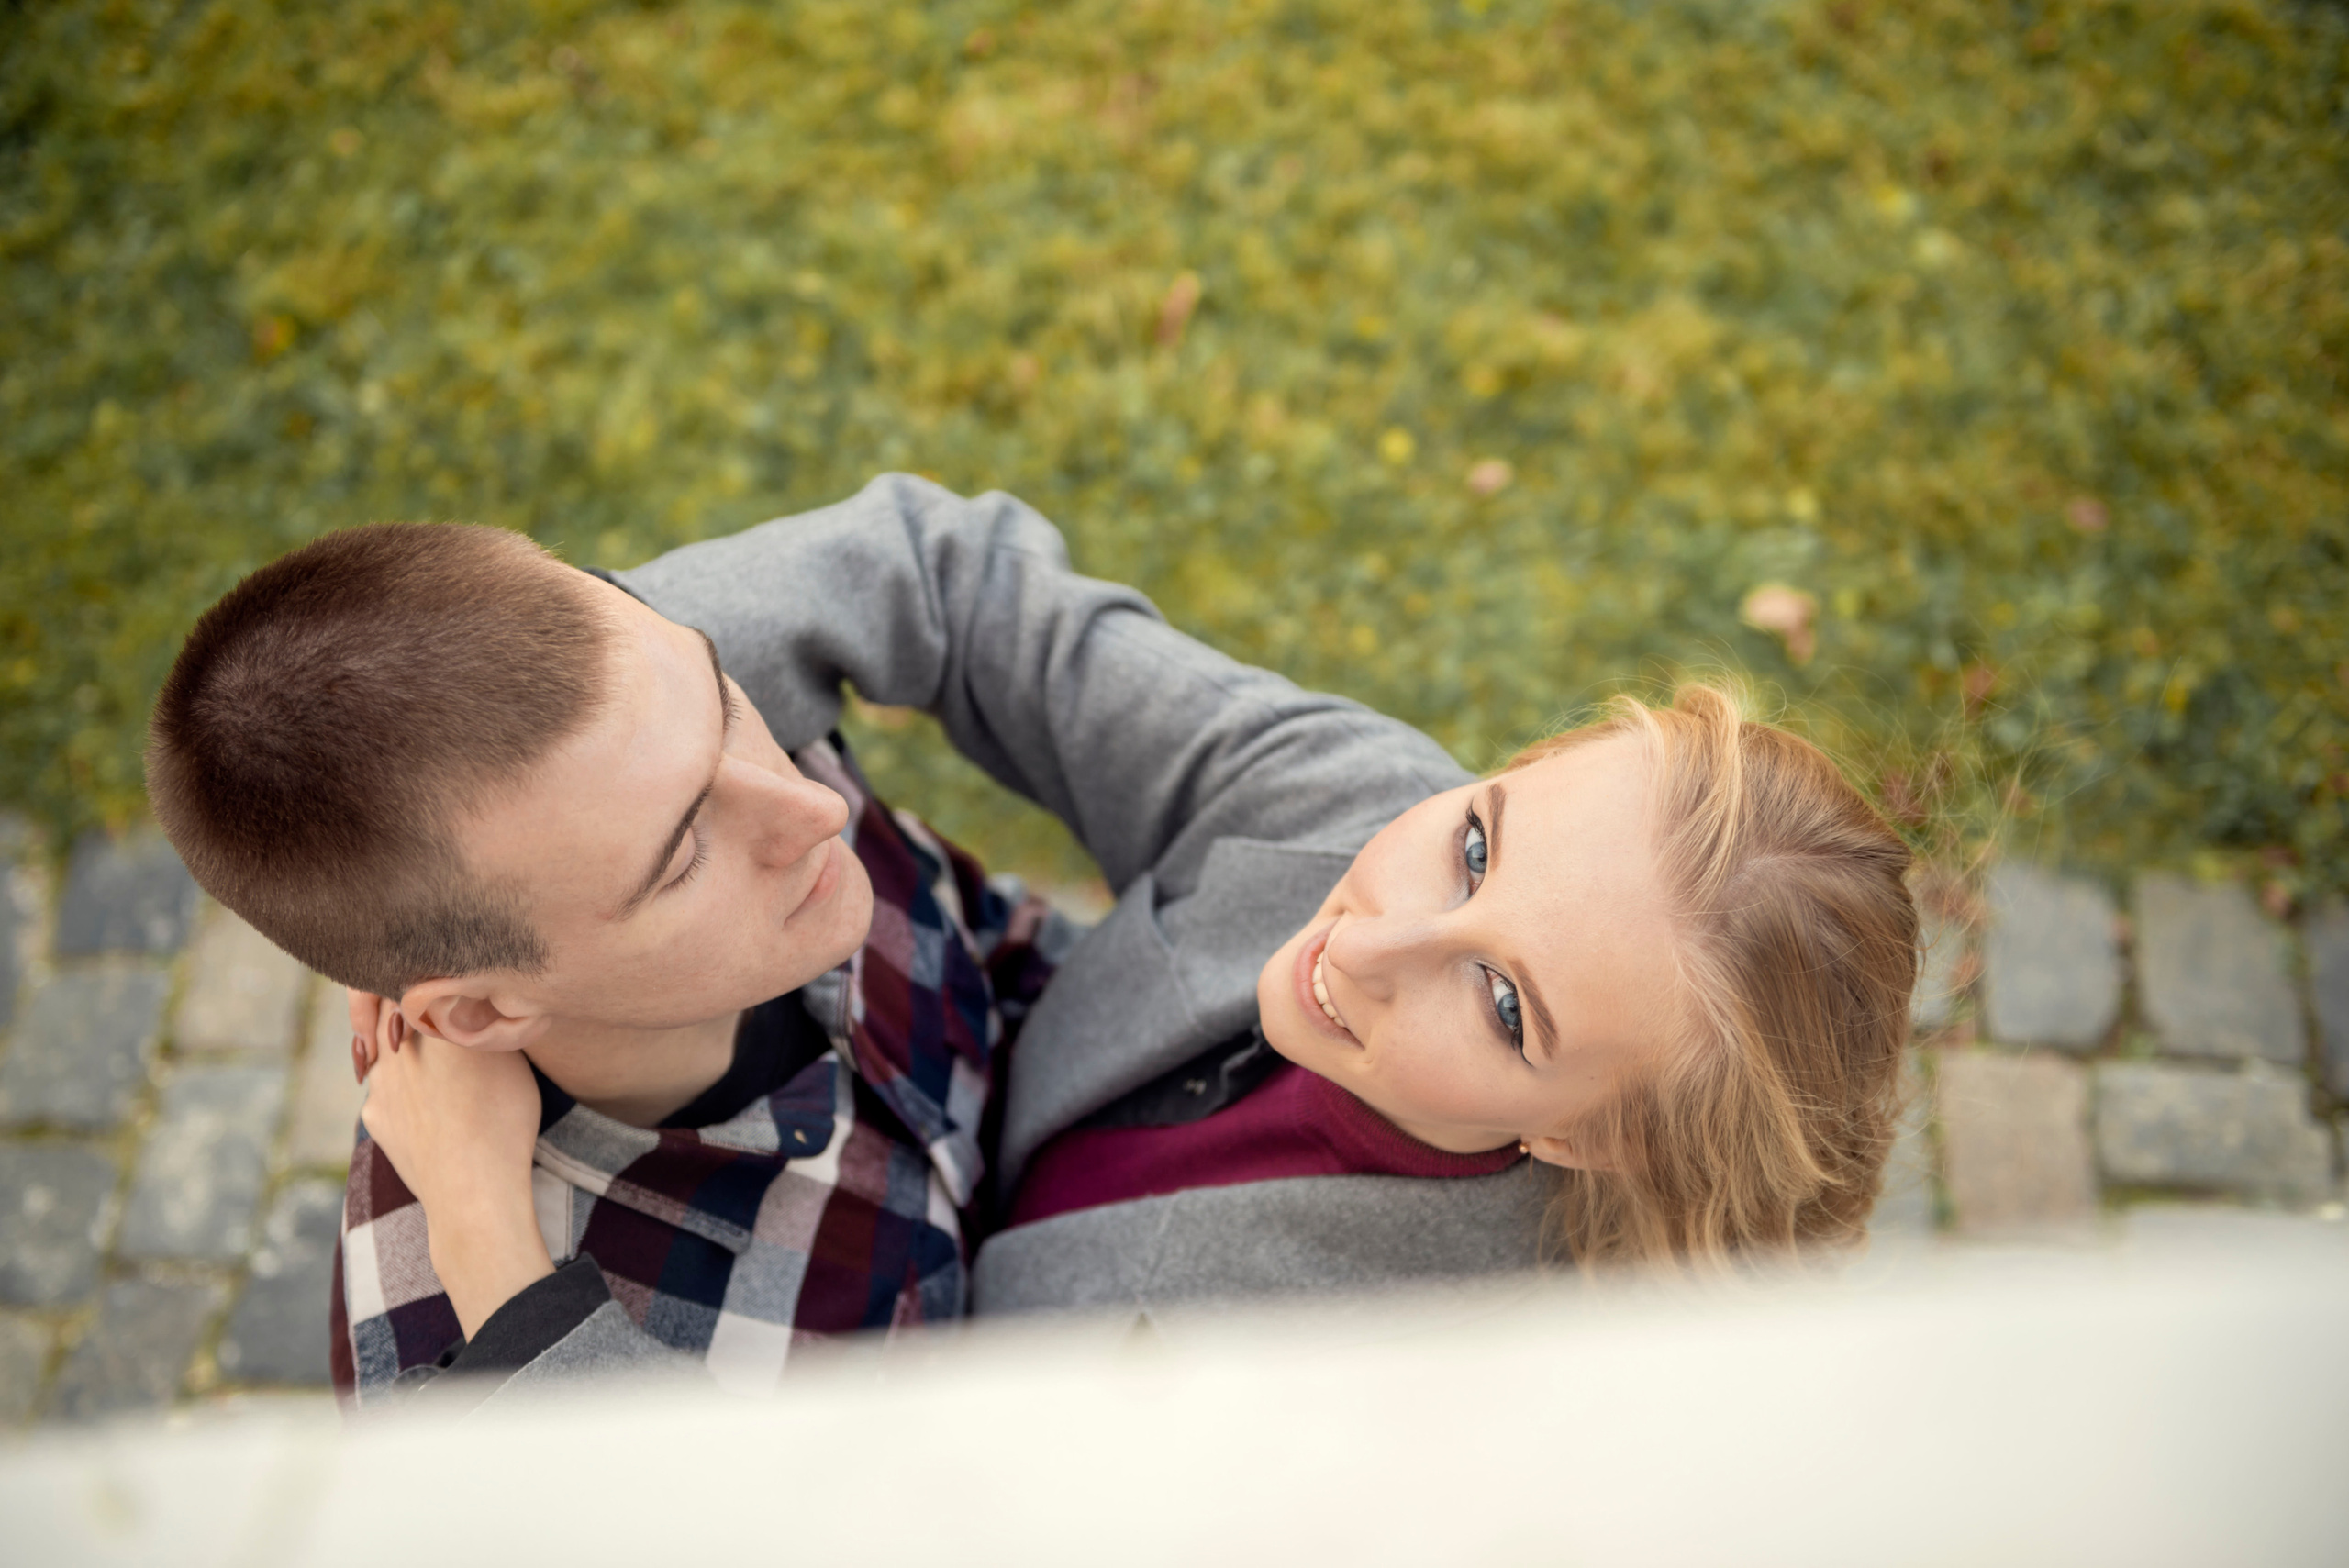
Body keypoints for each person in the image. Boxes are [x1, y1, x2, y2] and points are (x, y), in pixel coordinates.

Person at [148, 475, 1917, 1407]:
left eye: (1508, 1003)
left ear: (1597, 1136)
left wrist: (498, 1247)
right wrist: (558, 740)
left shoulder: (1444, 1396)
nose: (1371, 934)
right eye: (1475, 836)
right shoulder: (1347, 808)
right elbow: (954, 578)